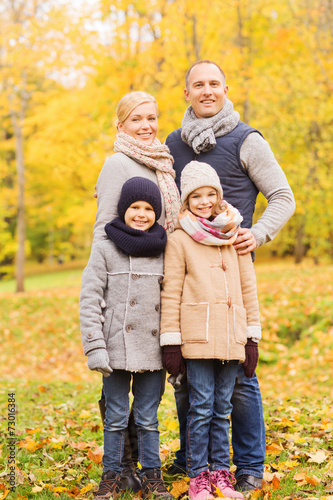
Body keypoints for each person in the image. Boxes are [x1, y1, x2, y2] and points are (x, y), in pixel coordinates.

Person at [164, 60, 296, 492]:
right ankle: (194, 462)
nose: (206, 91)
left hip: (230, 273)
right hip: (187, 273)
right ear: (187, 93)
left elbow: (282, 196)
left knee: (239, 378)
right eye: (197, 85)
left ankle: (249, 464)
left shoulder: (246, 139)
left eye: (213, 84)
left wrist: (257, 235)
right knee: (188, 381)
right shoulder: (174, 143)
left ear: (225, 89)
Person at [91, 91, 181, 494]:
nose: (146, 125)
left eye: (151, 117)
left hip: (157, 267)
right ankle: (120, 469)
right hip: (122, 278)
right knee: (115, 407)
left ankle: (144, 471)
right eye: (136, 119)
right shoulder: (117, 163)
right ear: (121, 124)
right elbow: (104, 224)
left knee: (147, 412)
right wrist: (106, 271)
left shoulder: (162, 161)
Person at [161, 161, 261, 500]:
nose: (204, 201)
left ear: (218, 196)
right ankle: (198, 477)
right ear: (186, 201)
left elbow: (248, 288)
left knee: (222, 409)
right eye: (196, 196)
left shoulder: (235, 235)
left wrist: (251, 337)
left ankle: (221, 474)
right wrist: (172, 342)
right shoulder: (179, 239)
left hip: (232, 337)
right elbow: (171, 290)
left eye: (210, 194)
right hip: (197, 338)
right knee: (200, 406)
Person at [80, 177, 174, 500]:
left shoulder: (166, 248)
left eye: (149, 209)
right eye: (135, 207)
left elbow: (174, 299)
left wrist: (174, 347)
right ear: (123, 209)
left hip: (153, 350)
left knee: (148, 418)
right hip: (115, 349)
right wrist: (95, 346)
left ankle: (151, 475)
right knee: (116, 416)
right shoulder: (105, 247)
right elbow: (90, 298)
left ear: (156, 214)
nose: (141, 214)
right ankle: (113, 474)